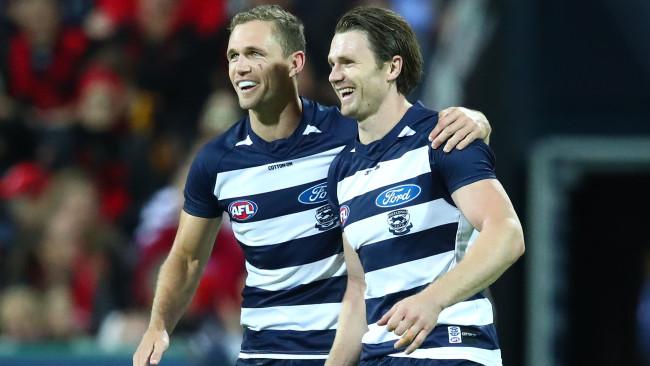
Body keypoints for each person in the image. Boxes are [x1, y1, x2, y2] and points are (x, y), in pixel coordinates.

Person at [132, 5, 494, 366]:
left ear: (295, 63)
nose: (240, 66)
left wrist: (475, 120)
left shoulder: (349, 133)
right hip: (262, 352)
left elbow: (411, 126)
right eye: (233, 56)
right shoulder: (216, 161)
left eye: (255, 54)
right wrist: (159, 325)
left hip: (341, 348)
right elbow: (188, 257)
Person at [324, 6, 524, 366]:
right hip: (379, 357)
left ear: (391, 67)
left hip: (451, 349)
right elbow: (358, 289)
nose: (336, 76)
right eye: (332, 64)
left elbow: (507, 233)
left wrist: (432, 300)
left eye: (349, 62)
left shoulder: (445, 135)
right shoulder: (342, 169)